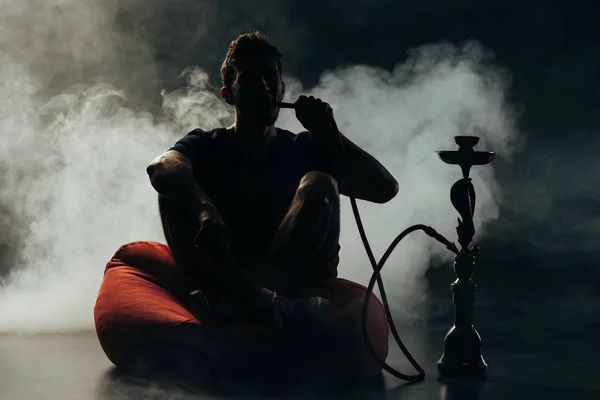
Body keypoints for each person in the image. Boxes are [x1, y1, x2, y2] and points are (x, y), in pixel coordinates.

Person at [147, 31, 399, 333]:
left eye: (269, 78)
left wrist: (330, 135)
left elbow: (385, 189)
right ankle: (258, 303)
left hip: (288, 284)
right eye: (249, 78)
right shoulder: (207, 144)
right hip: (231, 272)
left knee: (320, 183)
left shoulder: (305, 147)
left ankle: (252, 303)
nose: (263, 87)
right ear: (229, 94)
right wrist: (204, 209)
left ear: (281, 90)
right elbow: (160, 167)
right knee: (172, 189)